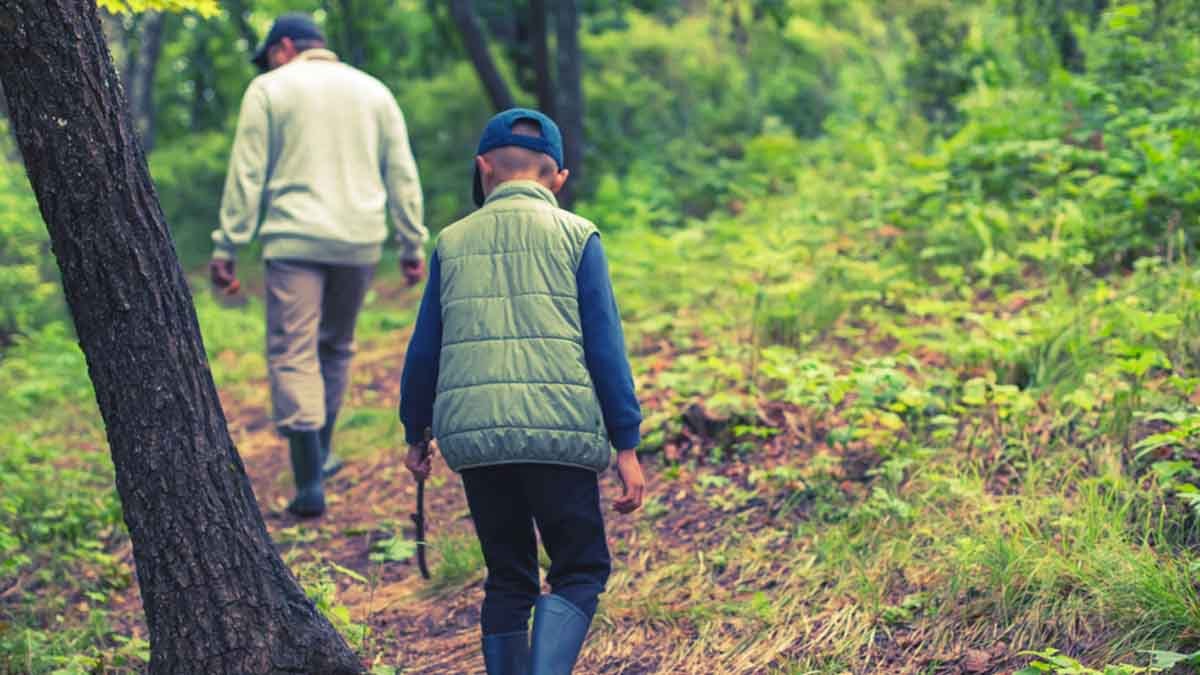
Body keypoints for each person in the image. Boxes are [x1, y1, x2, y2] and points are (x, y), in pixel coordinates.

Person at [399, 108, 646, 675]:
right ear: (558, 178)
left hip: (479, 441)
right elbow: (604, 345)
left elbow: (425, 348)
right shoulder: (577, 235)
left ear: (483, 167)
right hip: (559, 433)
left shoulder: (451, 241)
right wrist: (626, 445)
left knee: (507, 576)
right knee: (580, 570)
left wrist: (416, 431)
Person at [209, 13, 427, 518]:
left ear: (284, 47)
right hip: (359, 242)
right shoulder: (374, 92)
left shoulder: (269, 89)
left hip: (294, 240)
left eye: (269, 56)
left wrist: (228, 246)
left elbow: (247, 174)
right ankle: (323, 454)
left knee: (293, 349)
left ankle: (309, 481)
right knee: (336, 346)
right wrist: (411, 243)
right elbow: (401, 173)